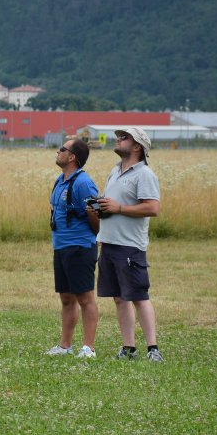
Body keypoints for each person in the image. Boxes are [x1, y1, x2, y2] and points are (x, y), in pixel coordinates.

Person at [91, 127, 163, 362]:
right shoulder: (115, 171)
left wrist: (119, 208)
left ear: (137, 147)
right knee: (119, 297)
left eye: (124, 138)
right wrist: (100, 209)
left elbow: (152, 207)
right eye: (119, 136)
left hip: (130, 246)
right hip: (109, 243)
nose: (118, 139)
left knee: (139, 296)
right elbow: (112, 206)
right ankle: (128, 348)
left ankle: (153, 349)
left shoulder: (144, 174)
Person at [45, 138, 101, 359]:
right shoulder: (60, 180)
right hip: (61, 246)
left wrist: (95, 235)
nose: (58, 151)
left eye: (62, 149)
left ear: (72, 157)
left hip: (80, 247)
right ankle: (65, 346)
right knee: (66, 298)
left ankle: (88, 348)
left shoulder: (83, 183)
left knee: (85, 298)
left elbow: (96, 211)